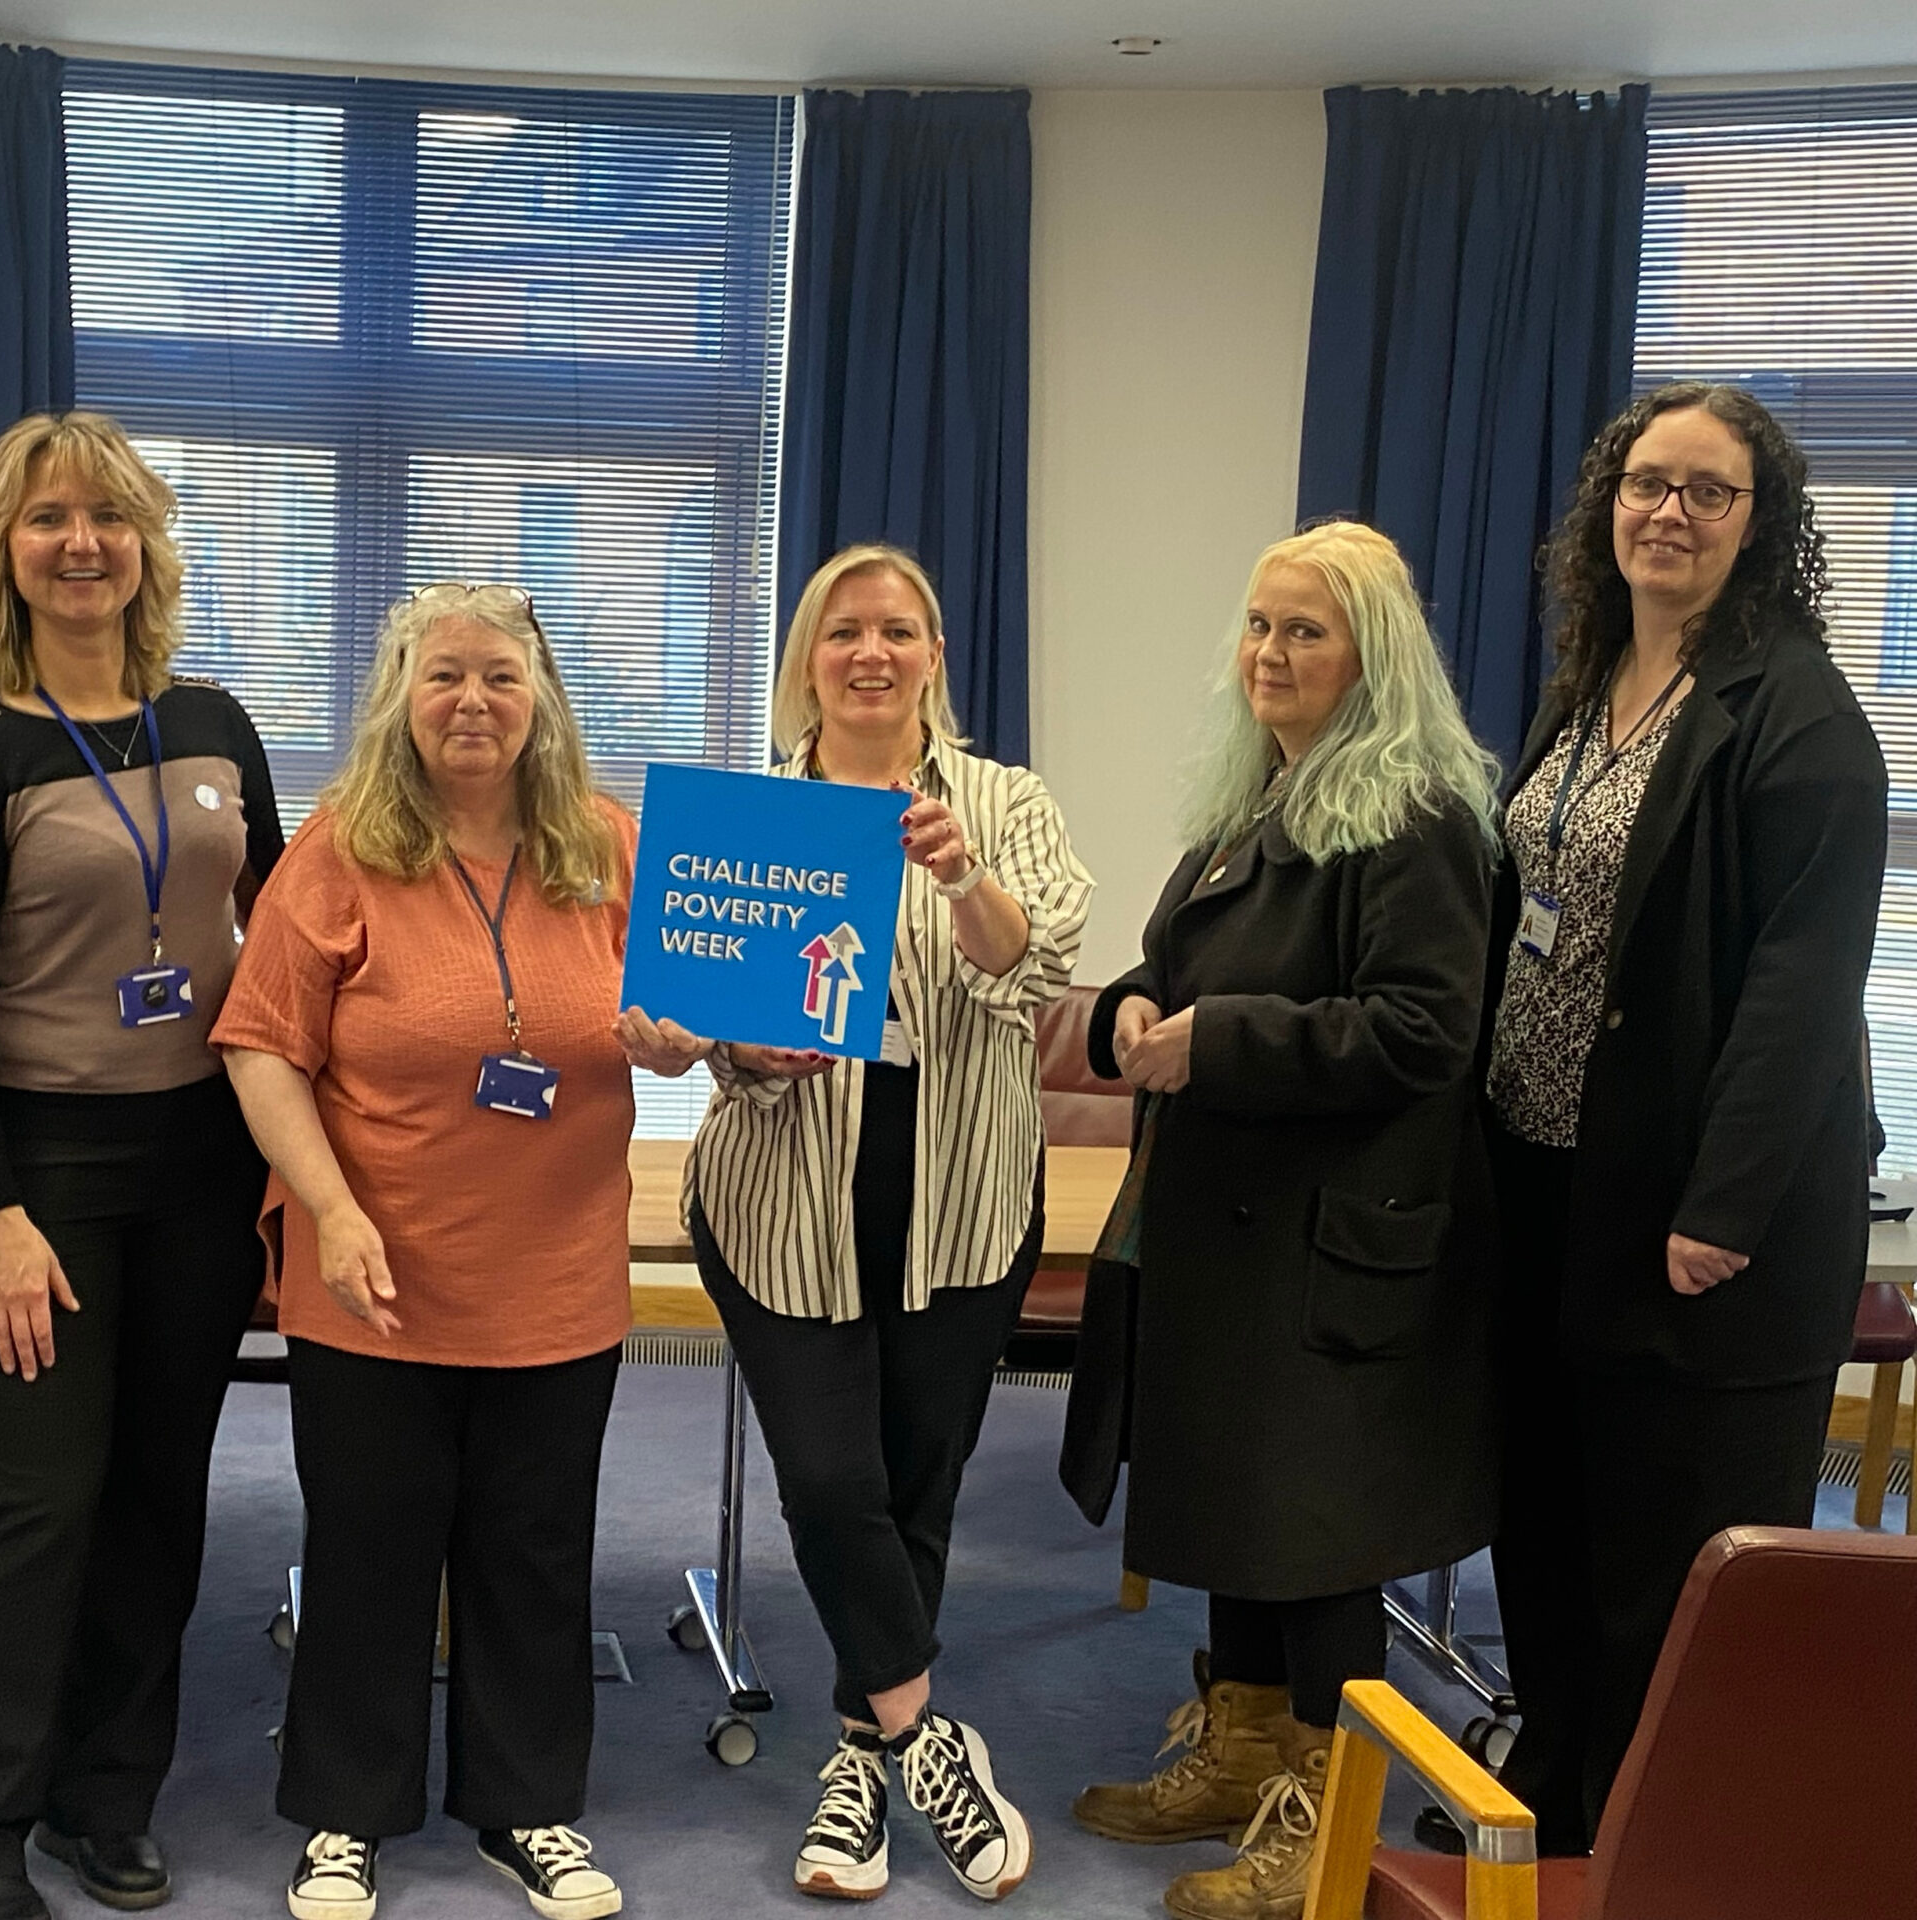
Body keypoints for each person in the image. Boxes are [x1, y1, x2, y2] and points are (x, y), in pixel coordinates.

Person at [619, 543, 1088, 1905]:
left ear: (935, 655)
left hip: (960, 1206)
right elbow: (696, 1015)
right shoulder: (750, 821)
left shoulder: (1003, 804)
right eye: (843, 634)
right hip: (781, 1203)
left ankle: (856, 1762)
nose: (871, 654)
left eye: (898, 631)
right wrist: (709, 1046)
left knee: (913, 1492)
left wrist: (961, 879)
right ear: (808, 663)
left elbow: (1036, 964)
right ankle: (930, 1737)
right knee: (831, 1482)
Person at [1061, 520, 1503, 1920]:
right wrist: (1136, 1002)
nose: (1272, 653)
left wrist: (1222, 1040)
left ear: (1372, 656)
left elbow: (1426, 1032)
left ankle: (1332, 1819)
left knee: (1319, 1542)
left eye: (1306, 631)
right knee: (1243, 1511)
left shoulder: (1418, 814)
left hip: (1337, 1249)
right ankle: (1245, 1751)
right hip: (1232, 1237)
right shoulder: (1260, 796)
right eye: (1259, 625)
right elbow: (1185, 959)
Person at [1481, 383, 1886, 1854]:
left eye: (1709, 492)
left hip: (1691, 1223)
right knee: (1549, 1523)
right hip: (1548, 1180)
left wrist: (1721, 1208)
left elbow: (1799, 987)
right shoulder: (1589, 683)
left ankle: (1648, 1839)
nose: (1669, 511)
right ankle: (1556, 1797)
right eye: (1647, 482)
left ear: (1759, 522)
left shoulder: (1802, 717)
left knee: (1663, 1555)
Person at [0, 412, 283, 1920]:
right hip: (38, 1168)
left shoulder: (215, 726)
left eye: (109, 519)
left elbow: (294, 932)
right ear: (8, 551)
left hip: (198, 1161)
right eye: (49, 519)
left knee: (156, 1494)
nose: (81, 544)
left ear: (145, 548)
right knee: (43, 1504)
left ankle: (101, 1801)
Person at [217, 582, 649, 1920]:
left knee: (532, 1550)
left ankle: (525, 1810)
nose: (473, 701)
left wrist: (700, 1043)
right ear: (403, 698)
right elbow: (258, 1044)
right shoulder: (345, 849)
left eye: (501, 678)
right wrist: (331, 1207)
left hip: (558, 1277)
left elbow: (704, 1016)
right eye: (444, 676)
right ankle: (346, 1815)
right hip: (374, 1280)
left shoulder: (610, 846)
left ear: (542, 701)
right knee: (370, 1547)